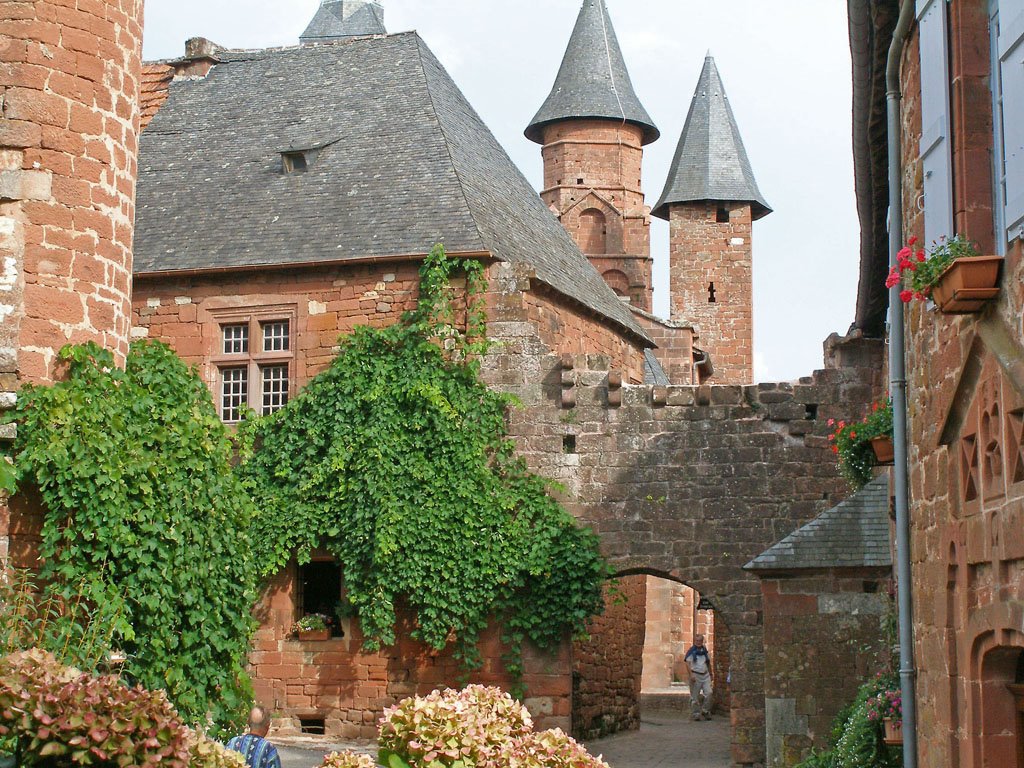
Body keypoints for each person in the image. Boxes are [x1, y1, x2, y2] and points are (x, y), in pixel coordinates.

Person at [684, 634, 713, 721]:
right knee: (695, 696)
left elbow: (708, 663)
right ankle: (696, 714)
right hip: (696, 675)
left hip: (705, 674)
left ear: (702, 641)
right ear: (694, 641)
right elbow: (687, 663)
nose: (698, 642)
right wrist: (691, 674)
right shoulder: (691, 651)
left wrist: (711, 674)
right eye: (697, 641)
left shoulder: (704, 651)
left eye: (700, 640)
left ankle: (705, 710)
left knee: (709, 693)